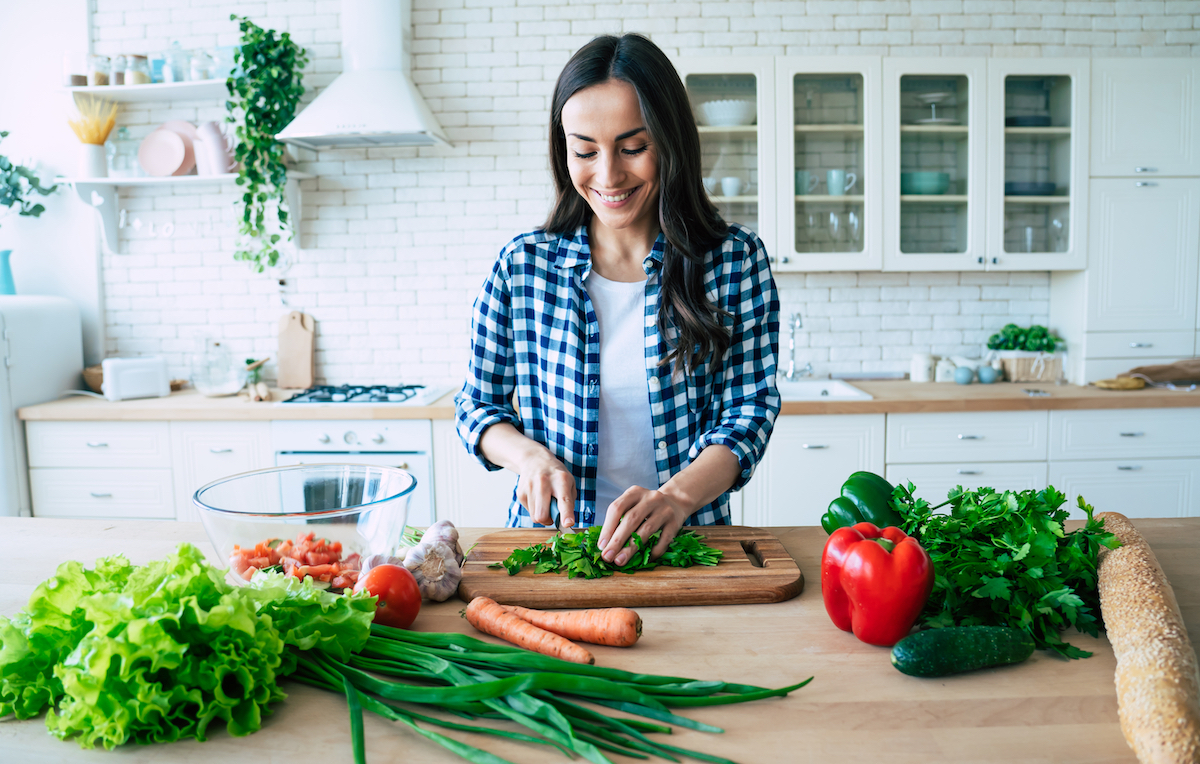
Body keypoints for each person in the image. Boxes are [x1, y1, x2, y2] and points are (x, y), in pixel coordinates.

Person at [455, 33, 780, 567]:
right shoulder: (523, 265)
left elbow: (748, 411)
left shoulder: (734, 261)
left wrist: (676, 498)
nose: (608, 175)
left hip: (686, 548)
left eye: (633, 148)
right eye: (585, 151)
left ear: (671, 141)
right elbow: (476, 406)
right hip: (551, 551)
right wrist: (529, 458)